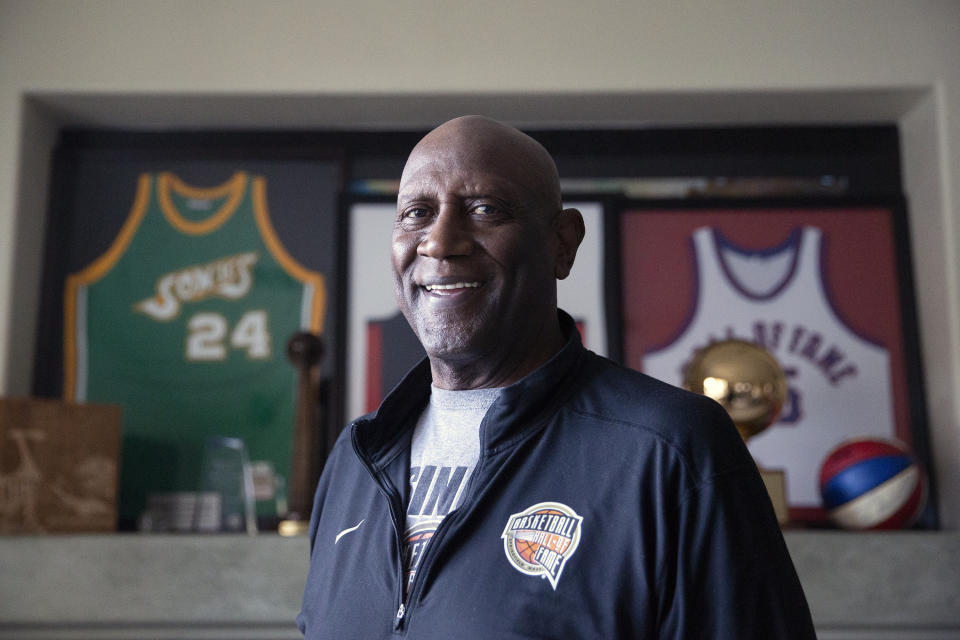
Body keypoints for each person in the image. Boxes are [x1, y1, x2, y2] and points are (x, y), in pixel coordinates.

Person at [297, 116, 817, 639]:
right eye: (417, 213)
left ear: (562, 243)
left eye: (485, 209)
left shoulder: (671, 448)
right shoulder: (355, 457)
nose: (439, 242)